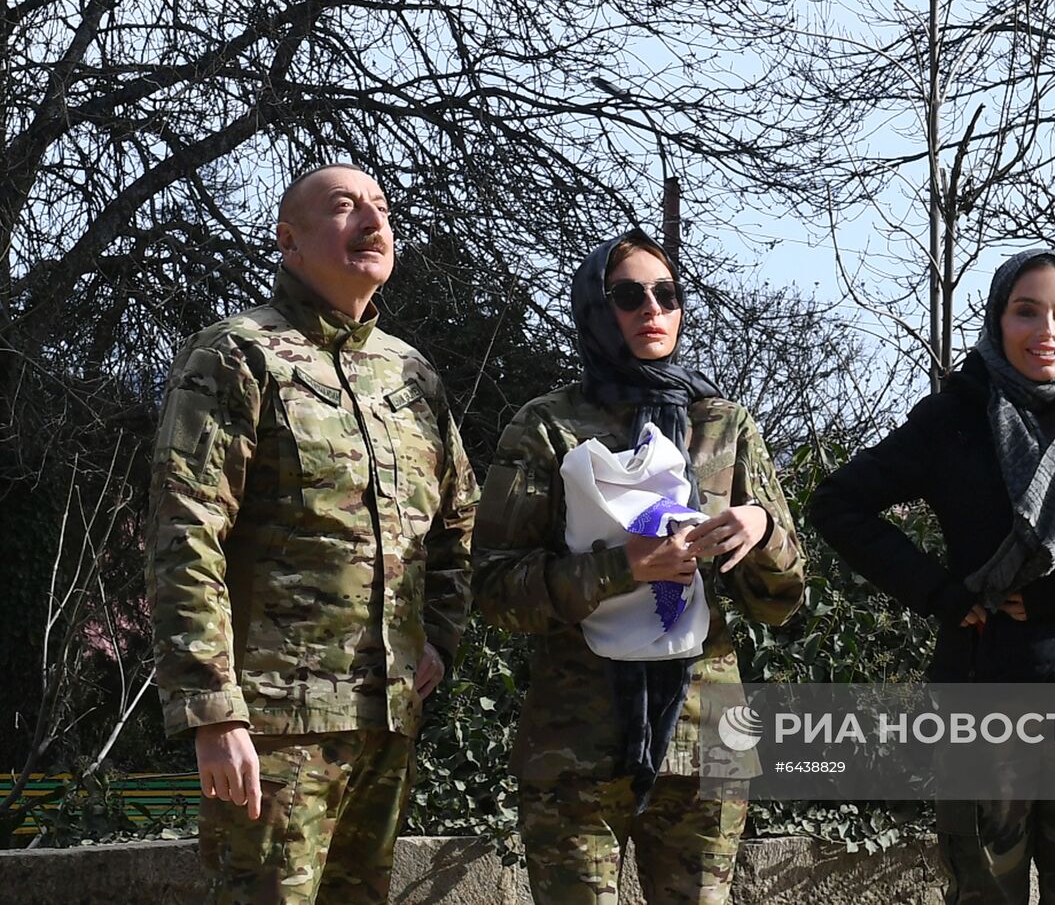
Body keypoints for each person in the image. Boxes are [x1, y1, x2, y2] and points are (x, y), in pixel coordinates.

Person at [807, 249, 1055, 904]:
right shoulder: (954, 416)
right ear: (997, 318)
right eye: (1027, 312)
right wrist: (940, 592)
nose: (1048, 331)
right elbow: (837, 504)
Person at [148, 163, 477, 904]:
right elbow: (185, 530)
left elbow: (457, 521)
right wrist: (213, 709)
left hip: (387, 720)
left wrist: (440, 639)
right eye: (344, 206)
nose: (373, 219)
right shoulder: (237, 354)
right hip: (274, 726)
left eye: (383, 208)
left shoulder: (411, 374)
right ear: (288, 241)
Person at [472, 228, 805, 904]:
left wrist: (762, 528)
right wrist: (624, 566)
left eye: (667, 293)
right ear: (596, 309)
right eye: (628, 295)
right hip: (576, 745)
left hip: (706, 743)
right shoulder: (547, 426)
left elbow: (783, 599)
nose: (652, 308)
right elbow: (498, 589)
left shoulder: (724, 424)